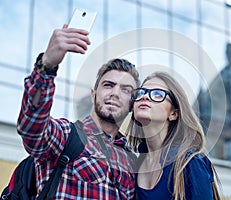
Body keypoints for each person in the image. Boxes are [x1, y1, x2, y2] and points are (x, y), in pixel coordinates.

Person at [17, 24, 140, 199]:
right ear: (93, 94)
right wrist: (47, 66)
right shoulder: (67, 135)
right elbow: (32, 128)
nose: (115, 93)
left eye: (126, 89)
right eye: (108, 85)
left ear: (132, 103)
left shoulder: (131, 160)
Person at [127, 71, 221, 200]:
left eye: (157, 94)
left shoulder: (190, 162)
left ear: (173, 114)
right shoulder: (134, 165)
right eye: (141, 92)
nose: (145, 97)